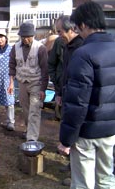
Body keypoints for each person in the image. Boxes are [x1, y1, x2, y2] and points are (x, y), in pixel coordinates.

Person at [58, 1, 115, 189]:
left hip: (87, 132)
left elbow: (77, 103)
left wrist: (66, 139)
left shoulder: (83, 54)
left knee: (83, 183)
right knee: (106, 178)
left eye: (77, 27)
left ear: (83, 25)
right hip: (110, 131)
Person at [54, 15, 84, 186]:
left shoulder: (81, 47)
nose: (59, 35)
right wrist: (59, 92)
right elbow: (64, 71)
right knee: (67, 126)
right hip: (66, 94)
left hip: (76, 97)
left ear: (71, 29)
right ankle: (71, 164)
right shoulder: (67, 46)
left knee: (76, 134)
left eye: (60, 32)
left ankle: (76, 174)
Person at [7, 22, 49, 141]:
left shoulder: (40, 48)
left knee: (34, 110)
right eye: (23, 37)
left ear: (33, 35)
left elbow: (45, 70)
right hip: (22, 83)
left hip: (36, 83)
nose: (25, 39)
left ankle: (32, 138)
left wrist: (43, 89)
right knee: (25, 110)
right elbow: (12, 66)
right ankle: (28, 129)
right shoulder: (15, 48)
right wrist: (10, 83)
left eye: (28, 36)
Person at [48, 36, 64, 120]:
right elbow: (51, 63)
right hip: (60, 82)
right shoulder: (59, 41)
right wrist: (55, 79)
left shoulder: (83, 40)